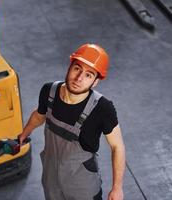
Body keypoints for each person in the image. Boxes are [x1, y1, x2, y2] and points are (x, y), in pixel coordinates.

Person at [19, 44, 126, 200]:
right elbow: (39, 115)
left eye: (88, 75)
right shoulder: (49, 91)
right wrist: (25, 132)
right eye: (77, 69)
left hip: (81, 183)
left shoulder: (102, 108)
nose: (79, 78)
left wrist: (117, 188)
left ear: (95, 81)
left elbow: (117, 146)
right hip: (51, 176)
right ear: (70, 67)